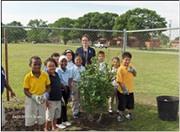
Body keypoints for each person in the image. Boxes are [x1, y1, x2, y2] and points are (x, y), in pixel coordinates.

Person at [23, 56, 51, 131]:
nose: (37, 66)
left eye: (39, 64)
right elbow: (25, 90)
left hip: (42, 99)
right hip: (31, 99)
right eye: (35, 64)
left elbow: (48, 87)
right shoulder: (28, 77)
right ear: (30, 65)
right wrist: (34, 97)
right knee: (31, 119)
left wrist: (46, 95)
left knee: (41, 119)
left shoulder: (45, 75)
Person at [44, 58, 64, 131]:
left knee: (56, 115)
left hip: (58, 99)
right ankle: (46, 128)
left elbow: (58, 84)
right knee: (49, 117)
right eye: (49, 66)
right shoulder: (46, 76)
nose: (52, 68)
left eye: (53, 66)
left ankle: (54, 127)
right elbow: (45, 89)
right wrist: (46, 100)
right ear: (46, 67)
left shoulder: (57, 74)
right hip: (50, 100)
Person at [116, 52, 137, 122]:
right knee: (122, 103)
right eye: (126, 60)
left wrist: (133, 71)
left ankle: (128, 113)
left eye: (129, 60)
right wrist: (124, 88)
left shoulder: (130, 66)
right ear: (122, 59)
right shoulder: (120, 69)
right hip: (122, 91)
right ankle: (120, 114)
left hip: (130, 90)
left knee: (130, 103)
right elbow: (119, 80)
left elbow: (135, 74)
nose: (127, 61)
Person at [56, 55, 72, 129]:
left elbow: (69, 80)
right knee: (60, 106)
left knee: (64, 105)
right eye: (62, 61)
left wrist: (69, 90)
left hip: (66, 89)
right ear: (59, 62)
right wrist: (64, 87)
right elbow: (58, 81)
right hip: (60, 90)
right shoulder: (57, 70)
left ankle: (64, 120)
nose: (63, 63)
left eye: (65, 61)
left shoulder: (68, 70)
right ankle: (58, 122)